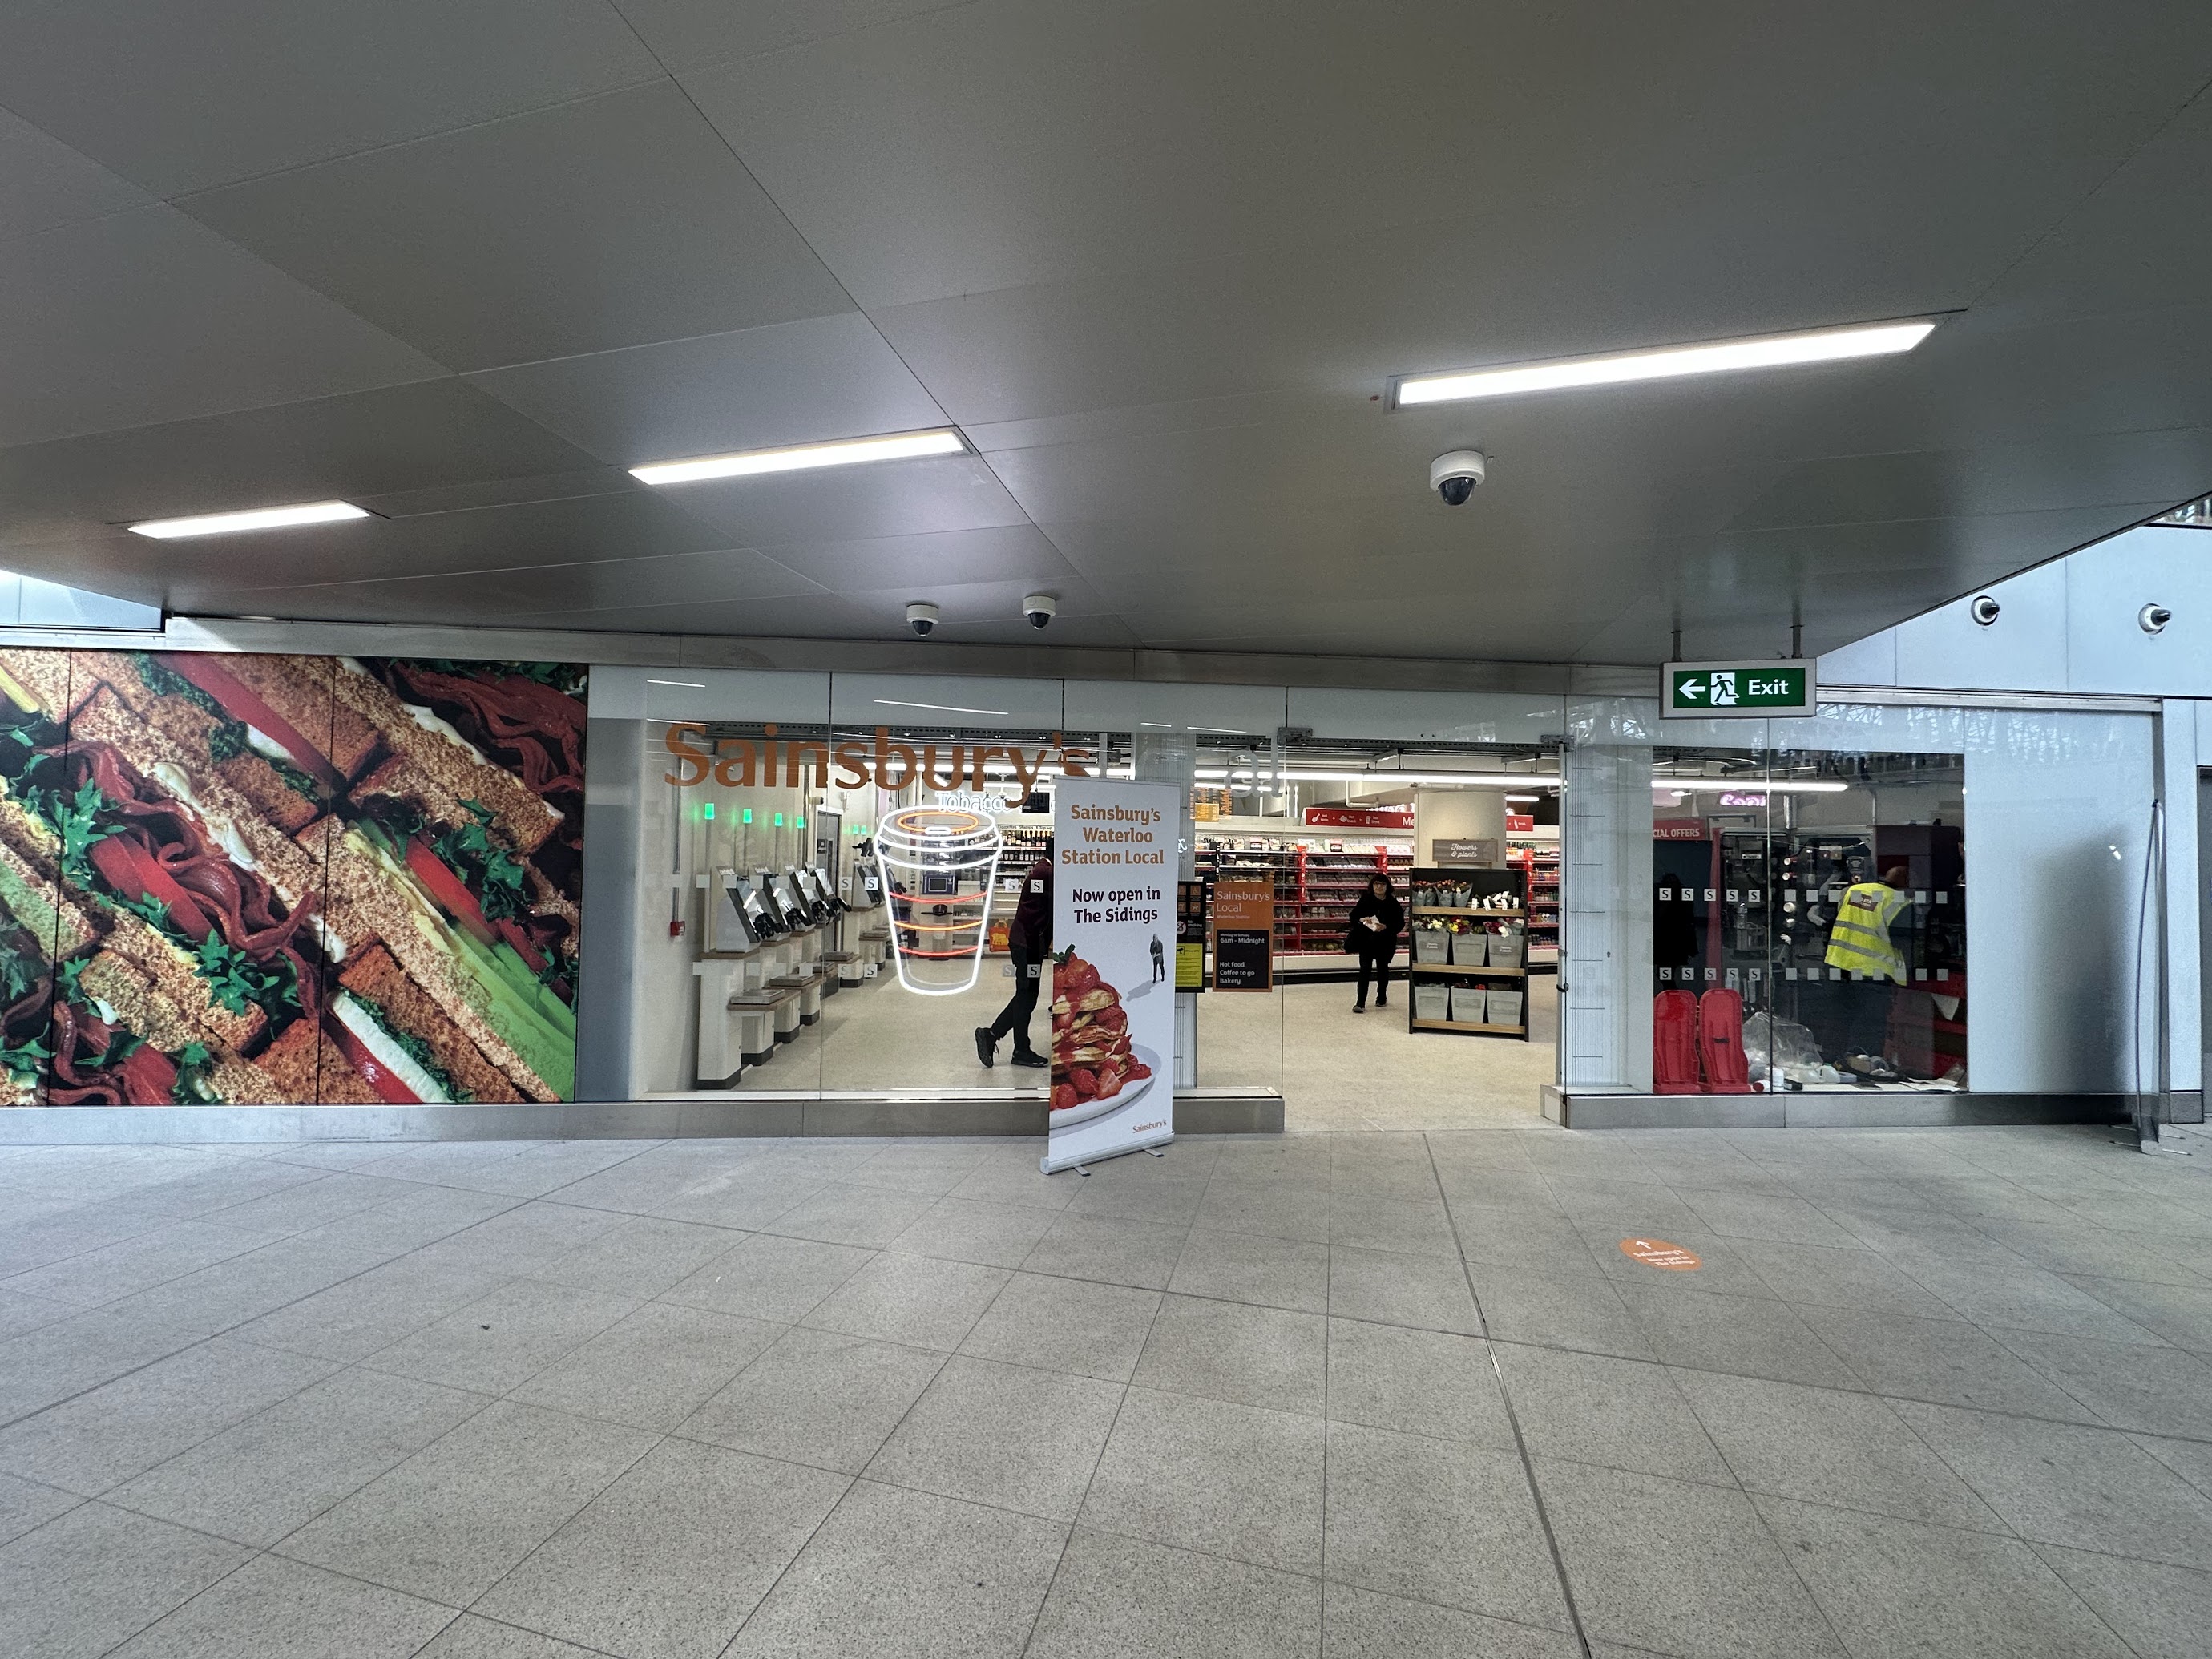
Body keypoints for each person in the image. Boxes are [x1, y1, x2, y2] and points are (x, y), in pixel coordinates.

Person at [977, 841, 1052, 1068]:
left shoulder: (1044, 870)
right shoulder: (1045, 872)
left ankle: (994, 1036)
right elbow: (1042, 910)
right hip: (1027, 946)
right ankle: (1016, 1047)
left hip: (1028, 944)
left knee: (1026, 996)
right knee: (1026, 996)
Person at [1345, 872, 1404, 1012]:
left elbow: (1400, 923)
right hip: (1366, 941)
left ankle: (1382, 996)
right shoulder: (1365, 900)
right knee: (1364, 971)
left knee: (1383, 969)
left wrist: (1387, 927)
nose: (1379, 887)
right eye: (1376, 884)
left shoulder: (1393, 903)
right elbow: (1353, 916)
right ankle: (1360, 1002)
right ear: (1372, 886)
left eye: (1382, 884)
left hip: (1385, 941)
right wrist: (1361, 920)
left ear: (1387, 886)